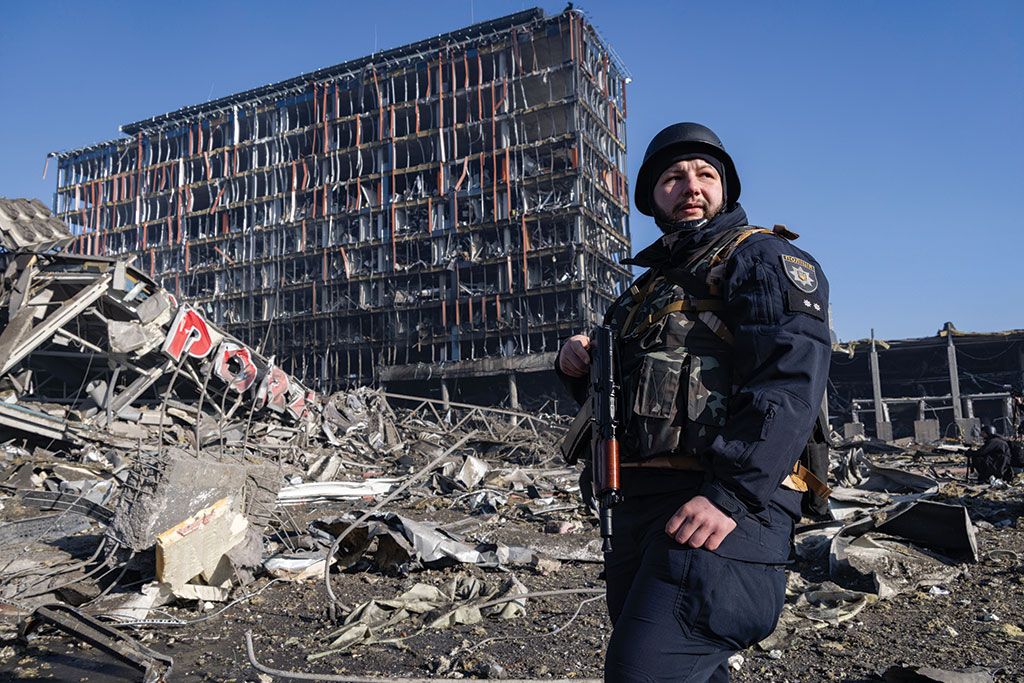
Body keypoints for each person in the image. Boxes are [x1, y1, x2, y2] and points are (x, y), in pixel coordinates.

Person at [556, 123, 831, 681]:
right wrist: (579, 364)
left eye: (706, 175)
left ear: (725, 189)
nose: (691, 186)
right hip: (640, 508)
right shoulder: (643, 292)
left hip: (721, 504)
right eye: (673, 178)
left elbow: (788, 383)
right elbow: (630, 400)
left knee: (643, 672)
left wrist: (729, 495)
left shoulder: (761, 257)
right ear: (652, 196)